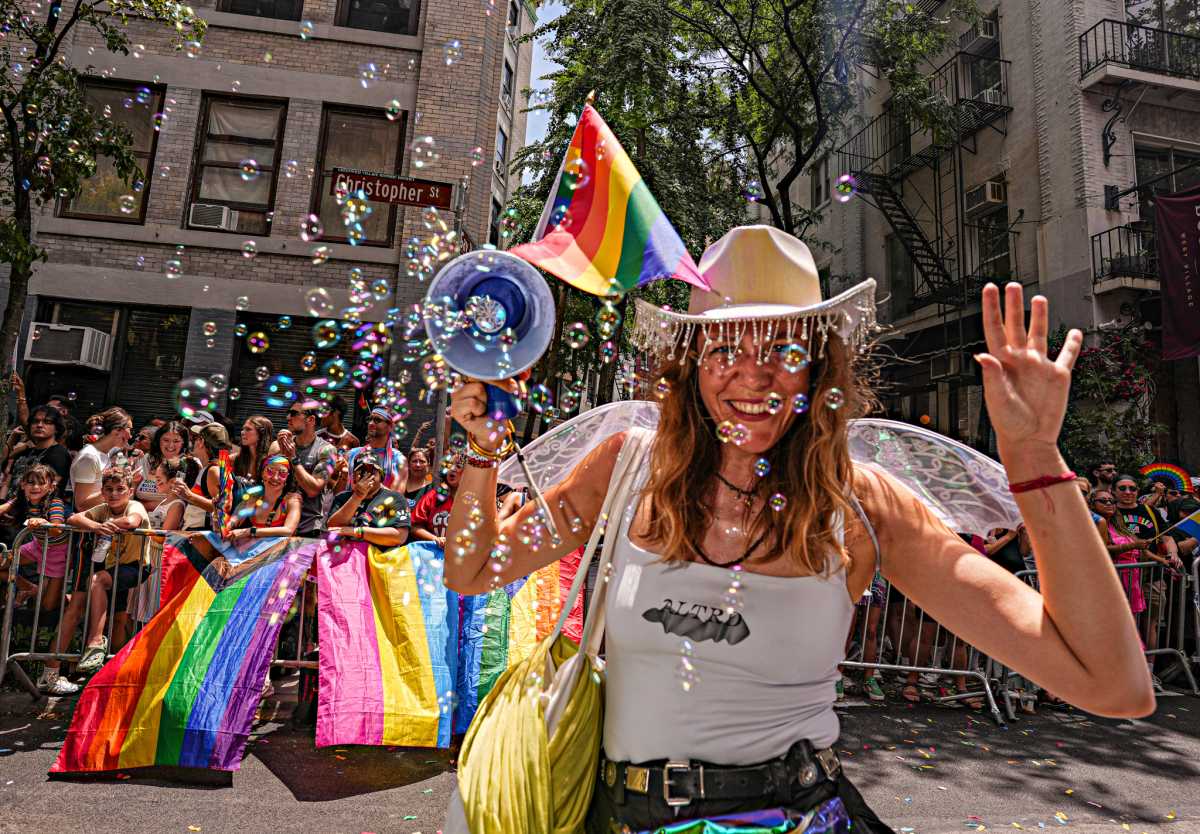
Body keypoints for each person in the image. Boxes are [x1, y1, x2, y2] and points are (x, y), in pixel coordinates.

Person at [443, 226, 1152, 833]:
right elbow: (473, 570)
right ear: (690, 365)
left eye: (781, 347)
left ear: (817, 363)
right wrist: (481, 450)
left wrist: (1035, 459)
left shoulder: (860, 505)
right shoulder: (624, 471)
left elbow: (1112, 685)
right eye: (725, 348)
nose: (752, 376)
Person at [38, 466, 150, 695]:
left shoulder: (134, 505)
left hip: (131, 567)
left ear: (130, 490)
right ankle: (64, 669)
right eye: (109, 489)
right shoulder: (102, 509)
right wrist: (97, 526)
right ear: (102, 491)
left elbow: (132, 521)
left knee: (116, 613)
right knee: (100, 605)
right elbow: (74, 517)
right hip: (105, 564)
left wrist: (112, 525)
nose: (114, 494)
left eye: (120, 489)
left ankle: (108, 663)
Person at [0, 464, 69, 610]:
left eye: (41, 483)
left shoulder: (55, 503)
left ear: (51, 487)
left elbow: (57, 528)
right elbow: (3, 508)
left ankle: (72, 600)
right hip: (37, 546)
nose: (35, 487)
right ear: (23, 485)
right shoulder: (21, 499)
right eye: (31, 482)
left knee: (47, 605)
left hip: (57, 553)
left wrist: (44, 523)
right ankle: (29, 588)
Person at [276, 402, 335, 537]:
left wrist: (293, 458)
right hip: (278, 524)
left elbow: (313, 490)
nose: (288, 417)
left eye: (294, 414)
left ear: (311, 419)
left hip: (308, 529)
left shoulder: (326, 450)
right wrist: (279, 454)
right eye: (288, 413)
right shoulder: (279, 445)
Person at [327, 453, 410, 548]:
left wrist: (356, 531)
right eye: (362, 471)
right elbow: (333, 527)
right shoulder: (342, 497)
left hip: (379, 559)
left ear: (381, 476)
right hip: (346, 558)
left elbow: (400, 536)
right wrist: (358, 496)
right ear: (354, 476)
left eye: (372, 472)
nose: (367, 476)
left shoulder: (395, 499)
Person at [1, 404, 70, 502]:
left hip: (37, 514)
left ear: (57, 428)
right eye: (35, 421)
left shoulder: (59, 454)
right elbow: (7, 482)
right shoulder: (24, 452)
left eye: (47, 422)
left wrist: (9, 507)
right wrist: (2, 502)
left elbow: (44, 490)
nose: (39, 425)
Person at [170, 422, 234, 528]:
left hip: (202, 536)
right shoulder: (212, 468)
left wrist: (189, 496)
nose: (193, 441)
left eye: (196, 438)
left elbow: (224, 507)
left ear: (201, 442)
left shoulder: (214, 471)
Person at [225, 454, 302, 541]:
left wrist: (249, 531)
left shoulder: (292, 500)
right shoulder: (253, 498)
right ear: (262, 473)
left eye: (282, 473)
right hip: (256, 551)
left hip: (281, 552)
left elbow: (288, 530)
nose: (275, 477)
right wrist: (218, 516)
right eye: (270, 471)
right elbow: (233, 521)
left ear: (287, 478)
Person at [1114, 474, 1183, 570]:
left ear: (1137, 491)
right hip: (1120, 570)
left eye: (1132, 489)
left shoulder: (1150, 511)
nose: (1128, 492)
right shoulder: (1110, 512)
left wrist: (1173, 554)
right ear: (1113, 491)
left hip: (1151, 568)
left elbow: (1167, 538)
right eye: (1122, 488)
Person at [69, 407, 133, 511]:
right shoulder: (89, 457)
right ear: (117, 430)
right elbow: (81, 505)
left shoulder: (104, 453)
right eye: (129, 429)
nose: (130, 436)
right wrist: (116, 486)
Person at [346, 406, 407, 493]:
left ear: (391, 426)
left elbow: (397, 498)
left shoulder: (398, 459)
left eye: (377, 420)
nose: (371, 423)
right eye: (370, 419)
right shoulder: (352, 454)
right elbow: (339, 494)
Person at [135, 420, 189, 512]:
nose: (171, 445)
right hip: (140, 517)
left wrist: (145, 505)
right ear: (158, 440)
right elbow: (131, 491)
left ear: (183, 442)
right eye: (166, 440)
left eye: (176, 441)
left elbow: (187, 501)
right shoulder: (147, 459)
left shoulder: (190, 463)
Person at [411, 455, 462, 549]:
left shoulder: (475, 501)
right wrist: (435, 539)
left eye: (458, 466)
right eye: (449, 466)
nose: (452, 469)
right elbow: (414, 527)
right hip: (433, 555)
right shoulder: (432, 496)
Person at [234, 415, 276, 481]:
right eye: (243, 429)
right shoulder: (237, 458)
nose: (242, 432)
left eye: (248, 429)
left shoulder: (271, 459)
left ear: (261, 433)